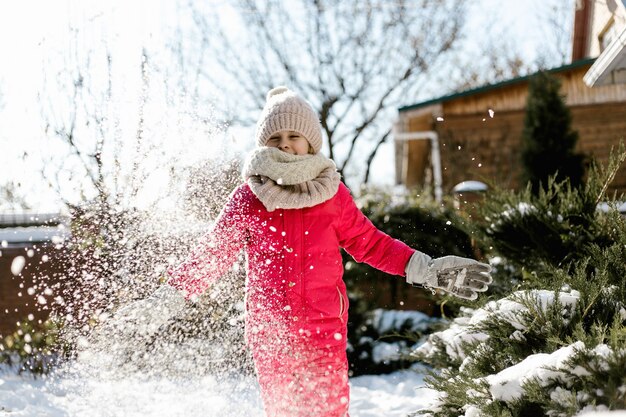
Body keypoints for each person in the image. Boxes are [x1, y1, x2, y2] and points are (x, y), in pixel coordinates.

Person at [117, 87, 492, 417]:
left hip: (323, 327)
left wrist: (423, 268)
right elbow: (215, 251)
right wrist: (172, 294)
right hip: (271, 333)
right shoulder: (250, 196)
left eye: (293, 134)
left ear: (311, 142)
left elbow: (370, 242)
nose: (284, 143)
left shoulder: (332, 194)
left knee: (328, 411)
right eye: (275, 136)